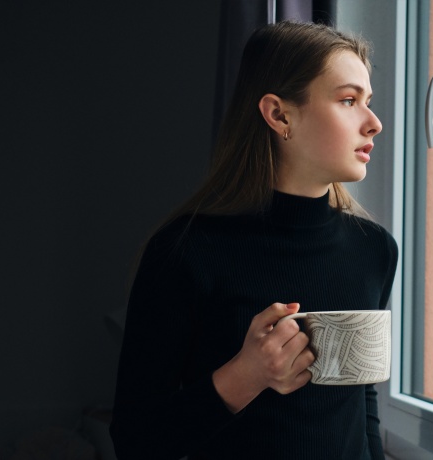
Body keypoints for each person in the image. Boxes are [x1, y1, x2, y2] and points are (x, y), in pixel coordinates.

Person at [109, 20, 397, 459]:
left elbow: (362, 402)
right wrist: (246, 375)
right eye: (348, 100)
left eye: (368, 102)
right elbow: (134, 439)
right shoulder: (185, 250)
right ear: (279, 114)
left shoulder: (374, 250)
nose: (374, 123)